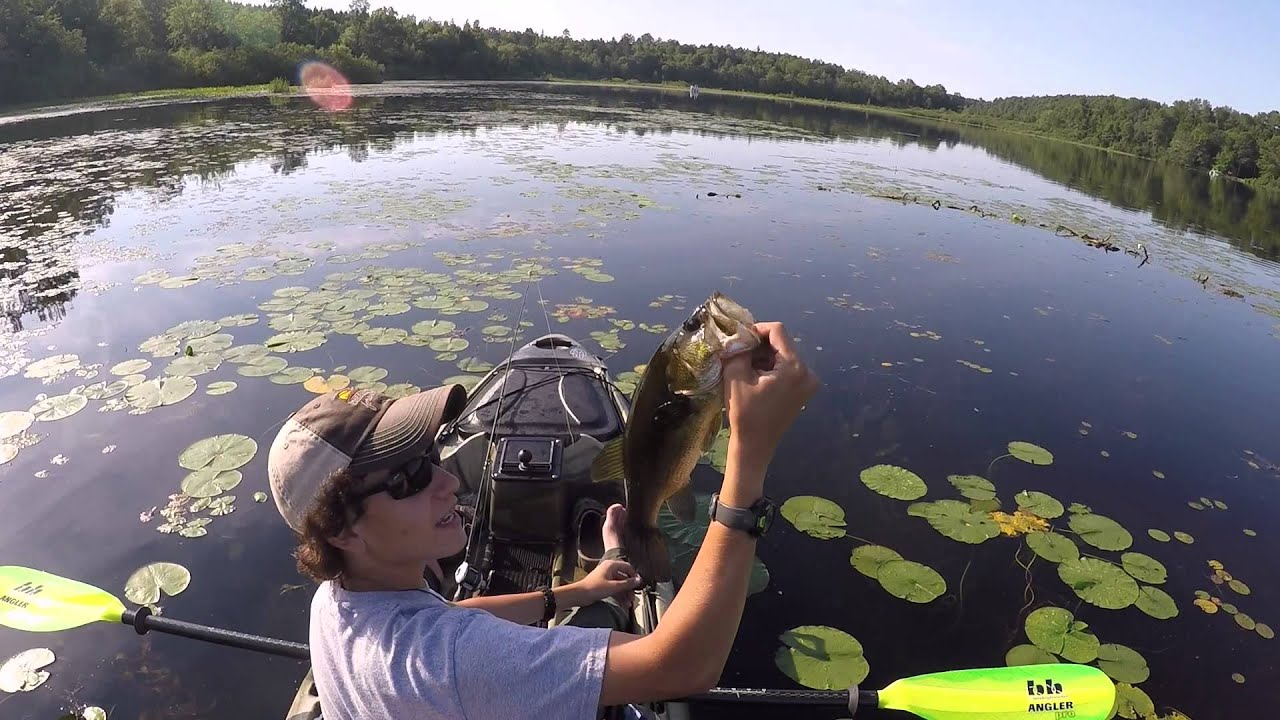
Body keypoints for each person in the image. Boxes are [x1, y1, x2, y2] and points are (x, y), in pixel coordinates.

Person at [268, 321, 818, 719]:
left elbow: (452, 614)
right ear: (342, 530)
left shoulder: (335, 600)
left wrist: (575, 592)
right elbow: (681, 666)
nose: (449, 483)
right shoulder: (458, 661)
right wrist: (749, 462)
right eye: (410, 480)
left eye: (431, 458)